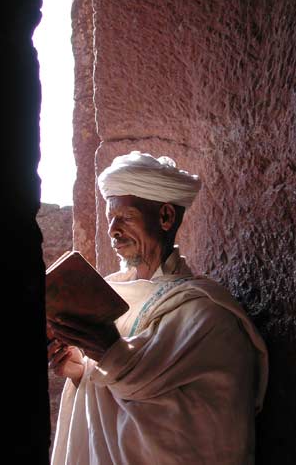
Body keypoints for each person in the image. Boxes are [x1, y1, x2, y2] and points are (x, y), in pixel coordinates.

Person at [48, 151, 269, 465]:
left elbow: (174, 415)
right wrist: (81, 370)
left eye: (124, 217)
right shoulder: (112, 293)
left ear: (165, 217)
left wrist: (107, 350)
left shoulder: (207, 316)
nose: (112, 230)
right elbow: (123, 381)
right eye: (110, 219)